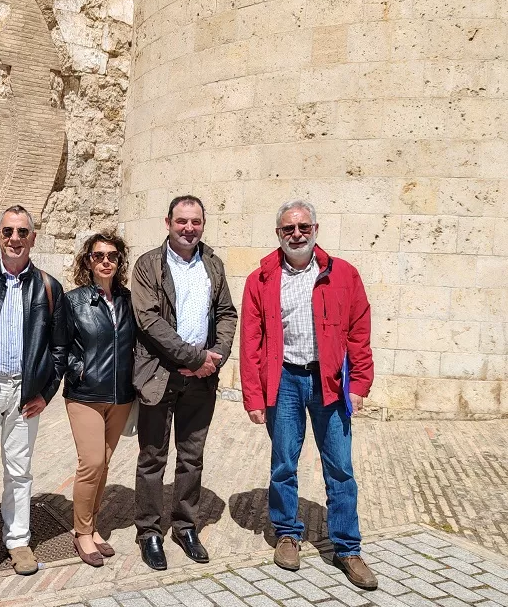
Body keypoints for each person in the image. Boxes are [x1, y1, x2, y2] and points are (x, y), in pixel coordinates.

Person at [240, 200, 378, 590]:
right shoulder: (261, 279)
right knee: (284, 462)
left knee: (340, 467)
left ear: (315, 229)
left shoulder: (343, 274)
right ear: (279, 234)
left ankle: (347, 548)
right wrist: (253, 395)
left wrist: (359, 384)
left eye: (303, 227)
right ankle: (287, 533)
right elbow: (251, 341)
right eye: (289, 229)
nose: (297, 234)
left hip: (329, 381)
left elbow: (359, 331)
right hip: (283, 380)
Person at [130, 195, 238, 571]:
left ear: (203, 224)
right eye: (181, 221)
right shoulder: (149, 265)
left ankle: (185, 526)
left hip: (201, 381)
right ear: (168, 223)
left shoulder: (213, 263)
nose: (188, 228)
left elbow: (226, 313)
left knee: (192, 457)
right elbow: (149, 320)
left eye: (195, 222)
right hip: (159, 375)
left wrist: (216, 355)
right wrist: (195, 358)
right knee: (152, 458)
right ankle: (149, 532)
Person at [0, 205, 67, 576]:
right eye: (8, 231)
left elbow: (59, 349)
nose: (15, 239)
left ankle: (18, 540)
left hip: (25, 392)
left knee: (19, 470)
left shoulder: (49, 287)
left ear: (33, 238)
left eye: (22, 232)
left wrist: (46, 393)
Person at [64, 232, 136, 567]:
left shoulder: (128, 300)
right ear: (88, 261)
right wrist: (79, 370)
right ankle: (81, 532)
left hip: (120, 395)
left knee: (104, 464)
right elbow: (59, 346)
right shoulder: (74, 301)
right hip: (86, 394)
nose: (105, 261)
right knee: (91, 462)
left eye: (112, 255)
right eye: (98, 255)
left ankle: (92, 527)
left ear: (119, 260)